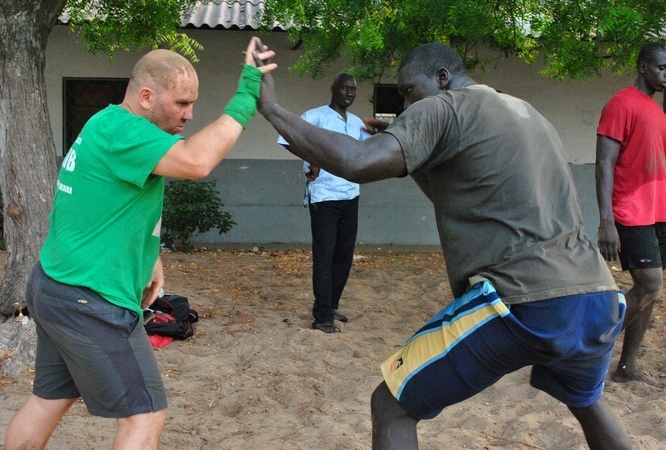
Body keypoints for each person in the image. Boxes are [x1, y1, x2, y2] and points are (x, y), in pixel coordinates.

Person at [256, 42, 631, 449]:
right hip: (595, 295)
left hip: (524, 299)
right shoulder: (526, 112)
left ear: (441, 78)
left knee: (391, 405)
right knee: (587, 401)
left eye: (409, 92)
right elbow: (459, 198)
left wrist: (273, 109)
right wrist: (414, 152)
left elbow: (356, 162)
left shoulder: (444, 107)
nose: (407, 104)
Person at [4, 37, 276, 450]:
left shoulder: (106, 123)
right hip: (90, 299)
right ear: (146, 96)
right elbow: (197, 162)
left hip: (53, 287)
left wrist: (151, 259)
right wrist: (246, 97)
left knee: (49, 398)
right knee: (145, 414)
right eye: (182, 103)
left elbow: (108, 205)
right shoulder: (126, 132)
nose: (190, 114)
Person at [595, 42, 666, 388]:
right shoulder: (621, 104)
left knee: (650, 289)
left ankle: (627, 367)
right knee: (650, 284)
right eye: (661, 67)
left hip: (657, 212)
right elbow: (604, 163)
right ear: (642, 67)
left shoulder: (657, 110)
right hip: (630, 211)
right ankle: (589, 350)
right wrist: (606, 220)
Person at [277, 72, 370, 333]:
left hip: (351, 195)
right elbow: (287, 139)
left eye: (353, 89)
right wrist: (314, 159)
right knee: (324, 257)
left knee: (344, 256)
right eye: (345, 88)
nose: (350, 93)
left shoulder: (356, 123)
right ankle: (322, 316)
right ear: (333, 88)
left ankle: (332, 305)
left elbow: (367, 152)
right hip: (324, 197)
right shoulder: (314, 117)